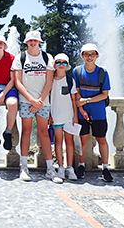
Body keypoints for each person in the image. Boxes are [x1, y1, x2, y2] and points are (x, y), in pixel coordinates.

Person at [11, 30, 60, 182]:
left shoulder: (47, 57)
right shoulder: (20, 58)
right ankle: (24, 167)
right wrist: (32, 100)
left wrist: (39, 101)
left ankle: (50, 169)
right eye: (30, 41)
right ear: (26, 42)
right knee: (26, 131)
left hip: (43, 101)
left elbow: (49, 81)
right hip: (27, 100)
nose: (32, 43)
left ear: (39, 42)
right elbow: (18, 82)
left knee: (44, 132)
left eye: (35, 40)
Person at [73, 43, 113, 182]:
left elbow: (104, 95)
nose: (89, 57)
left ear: (97, 56)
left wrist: (87, 101)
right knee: (83, 140)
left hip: (98, 112)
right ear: (82, 56)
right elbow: (76, 93)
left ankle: (106, 168)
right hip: (82, 112)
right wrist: (82, 109)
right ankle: (81, 165)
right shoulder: (77, 71)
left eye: (92, 54)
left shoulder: (102, 72)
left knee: (101, 139)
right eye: (86, 54)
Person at [50, 53, 78, 181]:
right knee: (58, 141)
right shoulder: (49, 80)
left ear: (67, 65)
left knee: (69, 142)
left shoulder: (70, 80)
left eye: (64, 63)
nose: (61, 65)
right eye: (58, 62)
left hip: (68, 115)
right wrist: (49, 115)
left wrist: (75, 116)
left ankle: (70, 167)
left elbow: (74, 99)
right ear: (54, 65)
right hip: (55, 115)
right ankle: (60, 166)